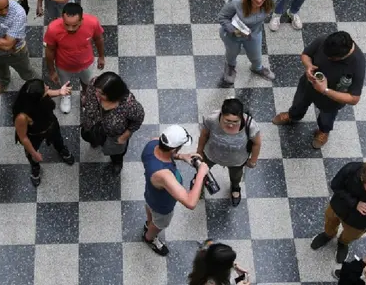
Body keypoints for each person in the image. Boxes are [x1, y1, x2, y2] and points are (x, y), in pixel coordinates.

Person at [273, 31, 366, 149]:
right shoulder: (326, 41)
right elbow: (306, 55)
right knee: (299, 102)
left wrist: (325, 90)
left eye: (331, 58)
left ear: (342, 56)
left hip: (331, 100)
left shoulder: (358, 63)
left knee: (327, 117)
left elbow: (354, 98)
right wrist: (308, 66)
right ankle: (293, 116)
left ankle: (323, 131)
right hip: (308, 85)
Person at [142, 125, 210, 256]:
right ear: (174, 148)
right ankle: (149, 238)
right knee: (159, 224)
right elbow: (190, 203)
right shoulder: (164, 175)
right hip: (163, 206)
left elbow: (165, 153)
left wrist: (182, 156)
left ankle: (149, 224)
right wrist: (201, 173)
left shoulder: (152, 144)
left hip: (150, 195)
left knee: (150, 212)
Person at [194, 98, 261, 206]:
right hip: (211, 154)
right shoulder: (212, 120)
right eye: (227, 121)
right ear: (222, 114)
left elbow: (256, 143)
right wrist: (199, 152)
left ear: (241, 117)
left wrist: (253, 160)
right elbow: (204, 135)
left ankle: (235, 188)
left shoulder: (250, 125)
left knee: (236, 176)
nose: (231, 125)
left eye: (235, 121)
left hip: (237, 160)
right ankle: (198, 186)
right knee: (202, 171)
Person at [218, 0, 283, 86]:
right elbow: (222, 17)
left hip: (254, 33)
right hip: (232, 35)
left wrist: (273, 6)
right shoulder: (236, 2)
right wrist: (235, 32)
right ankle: (230, 67)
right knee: (232, 52)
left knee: (256, 54)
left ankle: (257, 68)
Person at [12, 79, 76, 187]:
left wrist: (59, 92)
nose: (47, 87)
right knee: (31, 155)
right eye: (45, 87)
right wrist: (34, 153)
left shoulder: (34, 97)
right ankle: (35, 167)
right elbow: (23, 138)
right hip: (34, 136)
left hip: (51, 125)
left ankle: (61, 150)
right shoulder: (22, 117)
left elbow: (47, 92)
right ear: (37, 98)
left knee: (58, 139)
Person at [44, 3, 105, 113]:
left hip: (86, 63)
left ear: (81, 20)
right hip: (63, 65)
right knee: (65, 83)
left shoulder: (92, 23)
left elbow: (98, 39)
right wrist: (52, 70)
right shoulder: (53, 28)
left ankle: (86, 94)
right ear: (62, 18)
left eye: (74, 25)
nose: (70, 29)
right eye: (67, 25)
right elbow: (49, 50)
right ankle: (66, 96)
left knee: (87, 82)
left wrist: (101, 56)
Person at [80, 72, 145, 174]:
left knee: (116, 153)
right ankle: (96, 142)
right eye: (97, 91)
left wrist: (125, 135)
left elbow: (138, 120)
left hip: (114, 135)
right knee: (88, 137)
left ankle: (117, 162)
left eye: (101, 93)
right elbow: (89, 98)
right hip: (92, 126)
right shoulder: (94, 84)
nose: (96, 94)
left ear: (113, 94)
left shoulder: (130, 106)